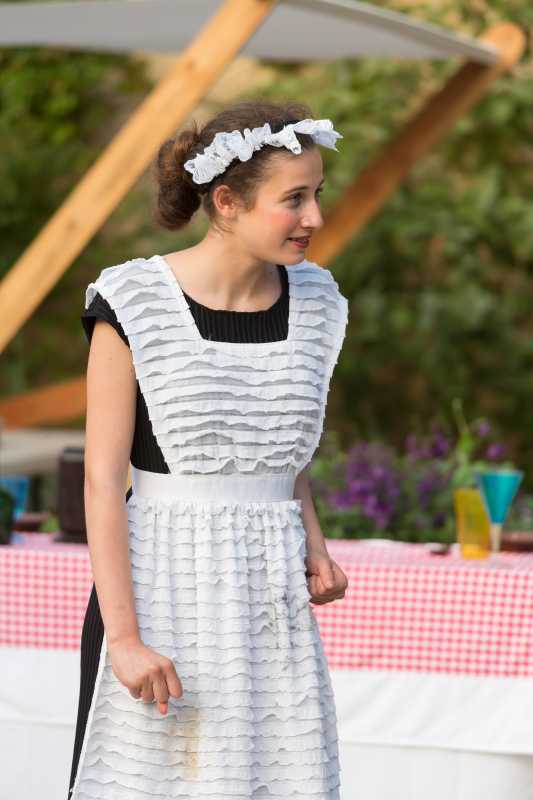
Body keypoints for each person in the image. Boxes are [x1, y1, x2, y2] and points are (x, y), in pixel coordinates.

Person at [67, 98, 349, 800]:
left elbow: (282, 447)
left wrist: (313, 543)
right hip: (158, 590)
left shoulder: (316, 301)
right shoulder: (133, 301)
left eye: (317, 194)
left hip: (270, 605)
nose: (314, 217)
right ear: (226, 202)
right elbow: (102, 482)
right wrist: (125, 641)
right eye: (294, 199)